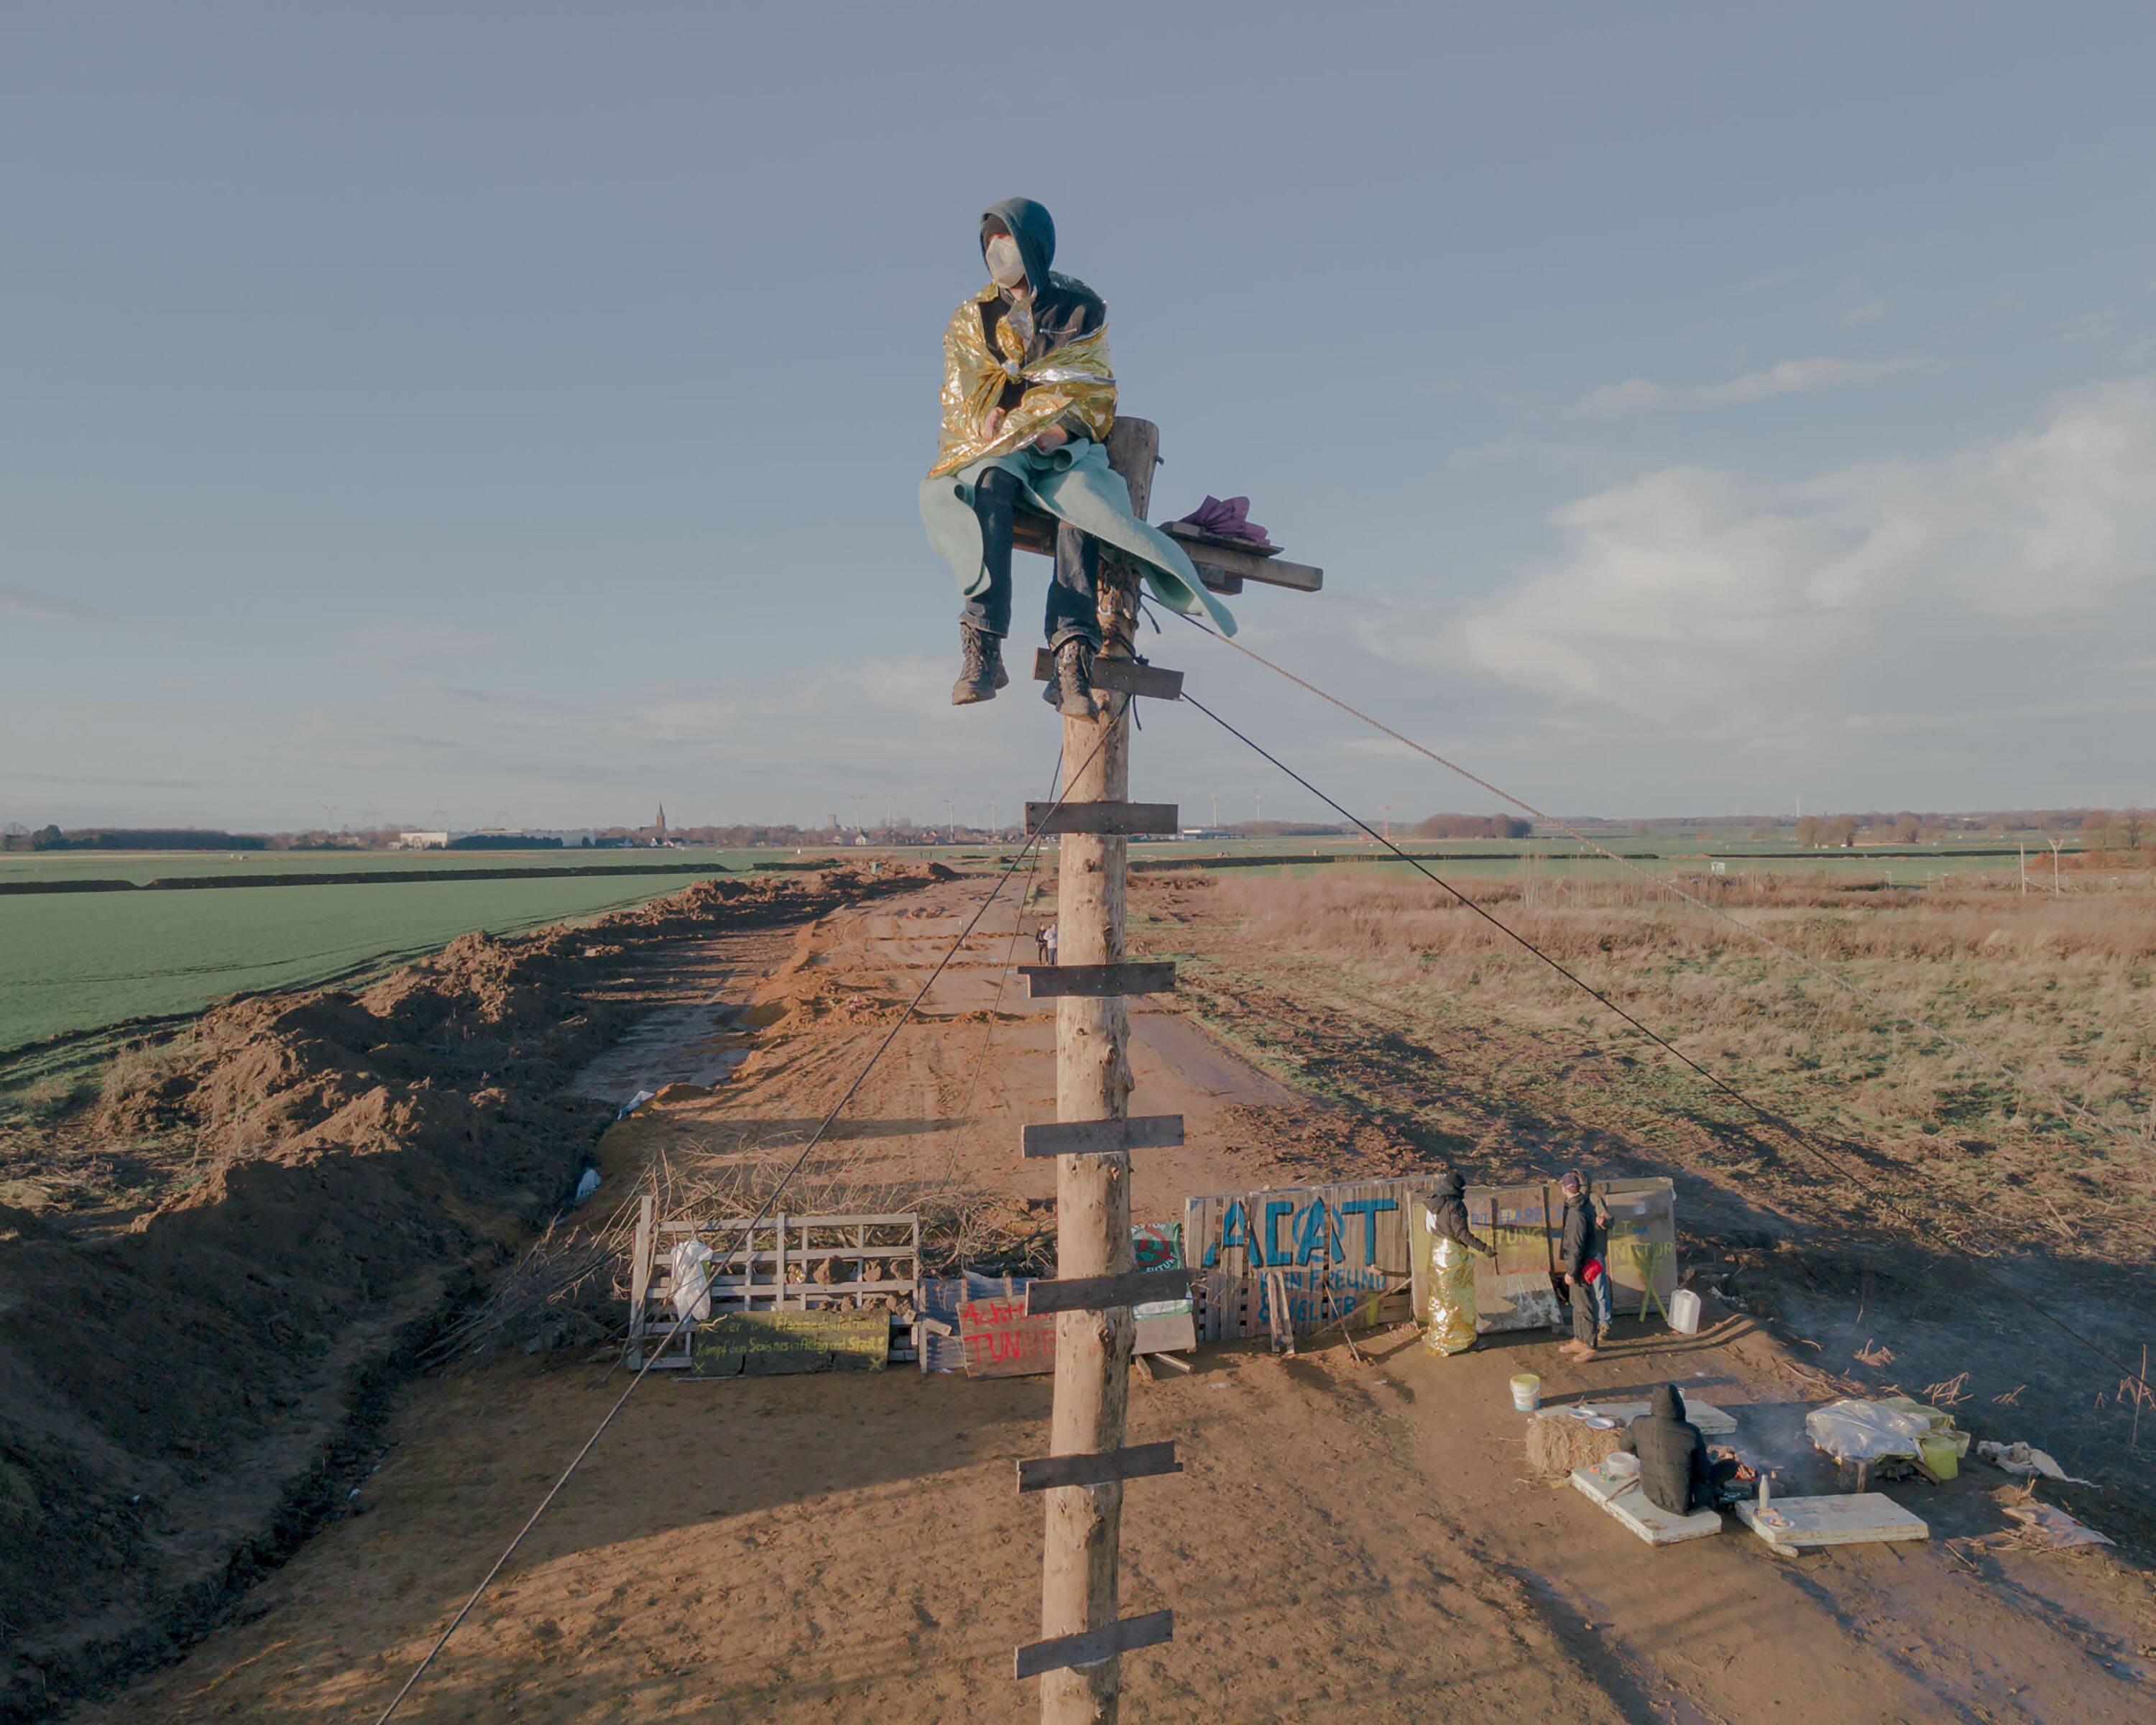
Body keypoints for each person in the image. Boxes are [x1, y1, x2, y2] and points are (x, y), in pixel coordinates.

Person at [919, 198, 1237, 720]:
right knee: (988, 484)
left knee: (1083, 509)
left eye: (1010, 242)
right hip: (1000, 446)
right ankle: (983, 645)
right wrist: (986, 418)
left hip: (1061, 441)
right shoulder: (972, 318)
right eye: (991, 244)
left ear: (1035, 246)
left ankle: (1073, 658)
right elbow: (961, 391)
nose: (1000, 254)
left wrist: (1061, 426)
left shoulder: (1078, 309)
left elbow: (1093, 388)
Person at [1618, 1383, 1741, 1517]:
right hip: (1684, 1503)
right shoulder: (1690, 1432)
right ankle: (1718, 1496)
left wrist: (1646, 1454)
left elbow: (1623, 1445)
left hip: (1650, 1493)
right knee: (1730, 1466)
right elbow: (1704, 1474)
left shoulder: (1639, 1423)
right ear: (1679, 1405)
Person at [1422, 1169, 1497, 1356]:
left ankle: (1438, 1338)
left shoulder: (1433, 1201)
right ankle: (1460, 1342)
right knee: (1460, 1301)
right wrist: (1484, 1248)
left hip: (1437, 1254)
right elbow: (1462, 1234)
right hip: (1452, 1256)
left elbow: (1428, 1228)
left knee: (1440, 1299)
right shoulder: (1455, 1206)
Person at [1557, 1170, 1605, 1361]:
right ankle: (1579, 1340)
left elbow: (1576, 1245)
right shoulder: (1582, 1205)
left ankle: (1590, 1345)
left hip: (1581, 1265)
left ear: (1565, 1189)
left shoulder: (1576, 1213)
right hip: (1582, 1262)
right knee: (1577, 1303)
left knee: (1584, 1305)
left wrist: (1571, 1271)